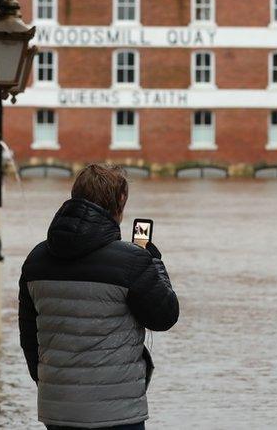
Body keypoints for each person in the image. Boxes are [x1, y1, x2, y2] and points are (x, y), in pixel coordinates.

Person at [19, 164, 179, 430]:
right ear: (120, 201)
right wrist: (155, 264)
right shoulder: (132, 261)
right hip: (117, 413)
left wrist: (49, 383)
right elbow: (165, 316)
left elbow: (28, 335)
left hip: (57, 408)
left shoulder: (36, 260)